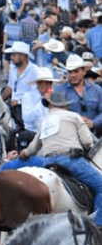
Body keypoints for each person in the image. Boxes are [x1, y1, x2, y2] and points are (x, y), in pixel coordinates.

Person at [20, 91, 102, 226]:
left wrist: (24, 153)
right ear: (65, 105)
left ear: (50, 105)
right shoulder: (73, 116)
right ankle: (99, 226)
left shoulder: (44, 121)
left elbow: (33, 148)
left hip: (48, 162)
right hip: (71, 160)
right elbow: (87, 142)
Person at [55, 54, 102, 137]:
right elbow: (55, 114)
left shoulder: (96, 90)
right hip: (70, 136)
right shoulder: (59, 90)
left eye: (76, 71)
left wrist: (93, 123)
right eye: (70, 72)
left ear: (84, 71)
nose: (73, 75)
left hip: (94, 134)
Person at [2, 41, 39, 110]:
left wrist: (19, 102)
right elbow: (10, 86)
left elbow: (35, 94)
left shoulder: (34, 71)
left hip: (27, 108)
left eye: (14, 55)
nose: (11, 57)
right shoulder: (12, 68)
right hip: (13, 106)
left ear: (23, 56)